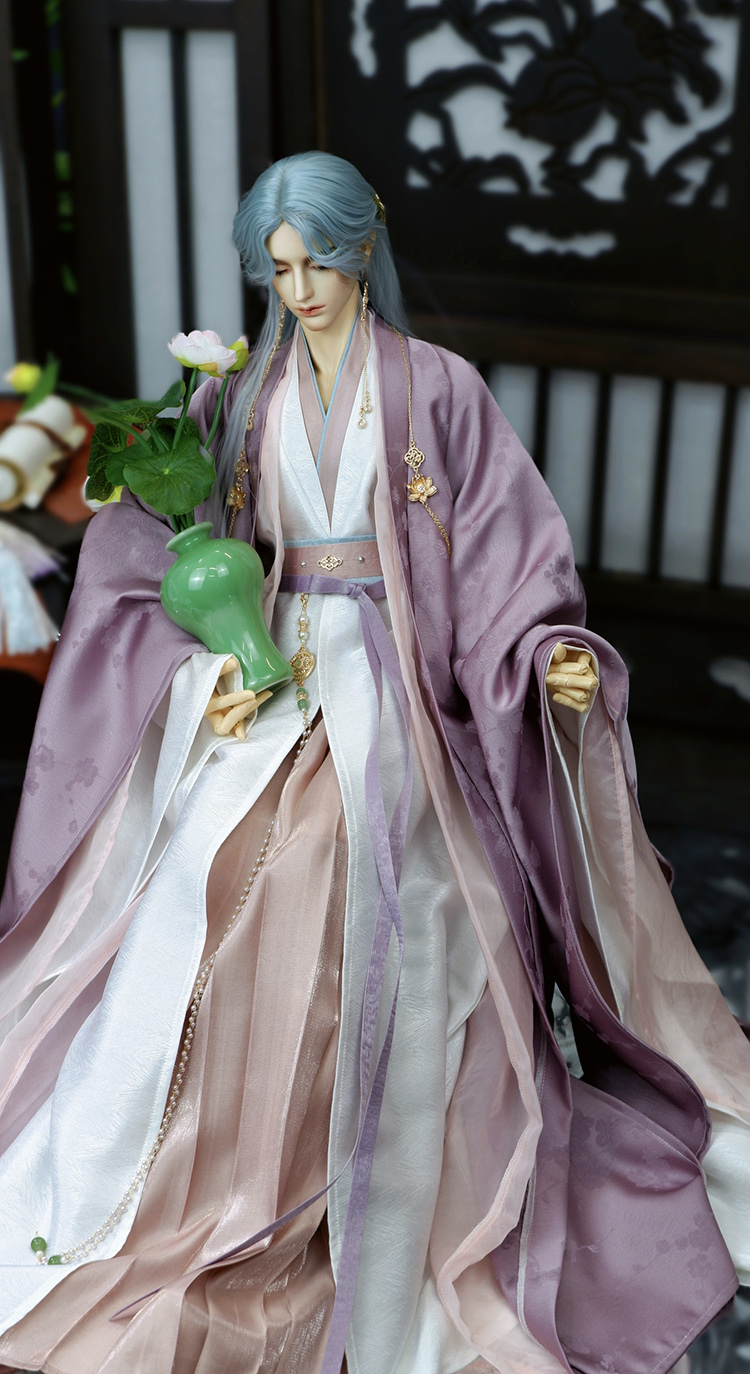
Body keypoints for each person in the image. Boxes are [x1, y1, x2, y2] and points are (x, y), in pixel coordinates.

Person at [0, 150, 748, 1374]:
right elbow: (164, 546)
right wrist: (200, 650)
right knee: (197, 881)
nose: (299, 291)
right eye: (278, 270)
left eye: (318, 264)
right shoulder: (240, 397)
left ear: (364, 248)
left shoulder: (436, 388)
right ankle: (191, 1164)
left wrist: (546, 653)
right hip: (264, 672)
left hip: (391, 681)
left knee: (369, 886)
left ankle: (364, 1185)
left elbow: (507, 558)